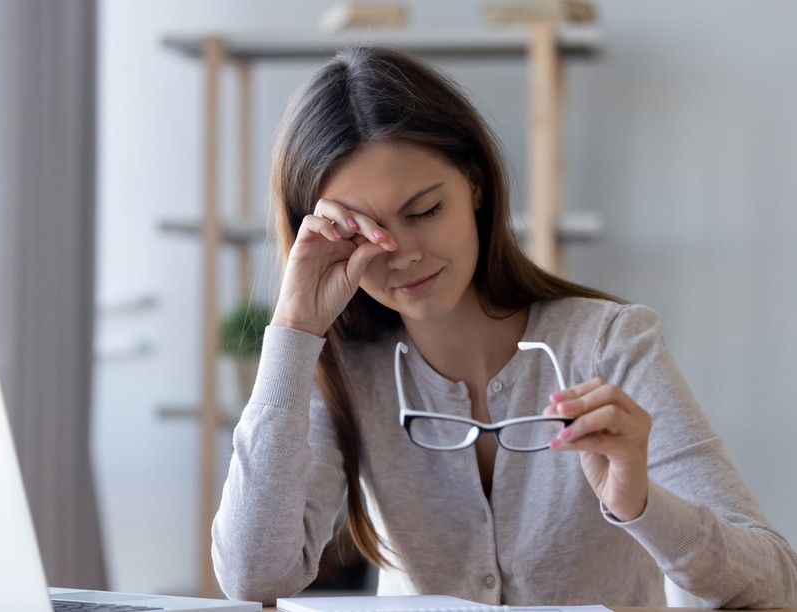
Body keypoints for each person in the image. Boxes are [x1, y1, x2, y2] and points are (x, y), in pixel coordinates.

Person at [211, 46, 797, 608]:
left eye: (424, 212)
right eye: (364, 234)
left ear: (476, 184)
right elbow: (253, 575)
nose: (404, 255)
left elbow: (774, 584)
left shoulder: (610, 343)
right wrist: (294, 329)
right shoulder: (339, 368)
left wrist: (642, 503)